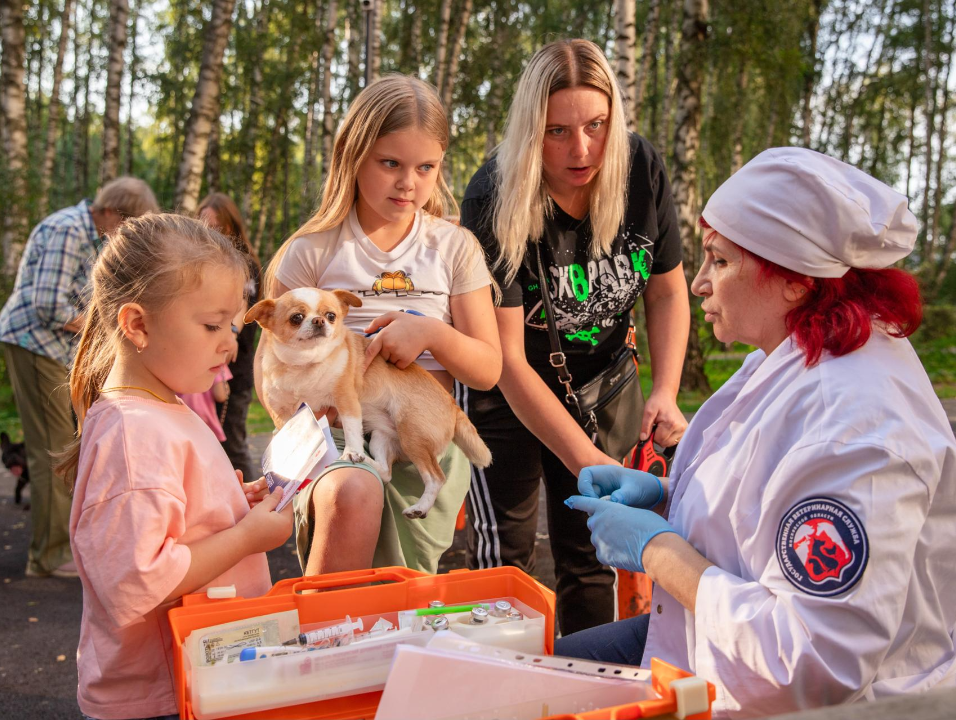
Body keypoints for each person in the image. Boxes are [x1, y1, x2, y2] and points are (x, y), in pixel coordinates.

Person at [560, 148, 956, 716]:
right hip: (708, 650)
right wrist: (667, 496)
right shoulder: (792, 355)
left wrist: (658, 550)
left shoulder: (858, 435)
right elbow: (771, 503)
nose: (698, 284)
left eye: (719, 262)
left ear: (794, 280)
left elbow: (814, 664)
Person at [459, 39, 689, 634]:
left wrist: (664, 389)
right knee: (503, 559)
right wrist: (584, 458)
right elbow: (506, 359)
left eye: (596, 126)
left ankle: (587, 689)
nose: (581, 150)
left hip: (604, 385)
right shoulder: (492, 195)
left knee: (592, 557)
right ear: (530, 131)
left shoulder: (641, 170)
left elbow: (666, 290)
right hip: (508, 394)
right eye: (557, 131)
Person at [54, 214, 293, 720]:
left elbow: (172, 523)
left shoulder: (163, 405)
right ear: (138, 324)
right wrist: (247, 537)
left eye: (230, 326)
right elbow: (135, 581)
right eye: (212, 326)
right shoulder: (133, 433)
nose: (230, 344)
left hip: (198, 674)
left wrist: (230, 505)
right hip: (163, 695)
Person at [261, 74, 501, 577]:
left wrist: (431, 333)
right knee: (344, 570)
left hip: (420, 446)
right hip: (333, 447)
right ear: (352, 155)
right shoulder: (311, 251)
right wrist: (315, 419)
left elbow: (487, 368)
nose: (407, 182)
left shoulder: (455, 249)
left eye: (425, 167)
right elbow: (272, 371)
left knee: (403, 599)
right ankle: (327, 644)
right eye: (389, 162)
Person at [0, 177, 159, 578]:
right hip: (33, 344)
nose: (125, 237)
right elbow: (48, 305)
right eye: (129, 225)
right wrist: (105, 326)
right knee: (52, 450)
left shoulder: (86, 234)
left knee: (67, 445)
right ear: (113, 212)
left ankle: (56, 547)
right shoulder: (68, 230)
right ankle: (48, 557)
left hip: (51, 349)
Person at [197, 193, 260, 484]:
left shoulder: (244, 263)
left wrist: (231, 333)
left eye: (216, 226)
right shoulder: (206, 263)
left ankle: (258, 505)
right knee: (206, 440)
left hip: (236, 364)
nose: (210, 232)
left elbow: (242, 304)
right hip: (208, 363)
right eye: (204, 225)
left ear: (231, 227)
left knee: (232, 437)